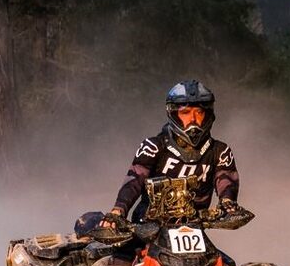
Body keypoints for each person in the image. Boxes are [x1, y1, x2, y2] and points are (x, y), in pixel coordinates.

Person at [76, 79, 241, 237]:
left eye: (199, 113)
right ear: (173, 114)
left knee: (225, 265)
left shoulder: (220, 151)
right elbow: (134, 181)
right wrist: (118, 211)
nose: (193, 120)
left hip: (195, 230)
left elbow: (226, 181)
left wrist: (228, 203)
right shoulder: (154, 146)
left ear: (208, 115)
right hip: (147, 230)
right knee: (116, 260)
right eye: (185, 113)